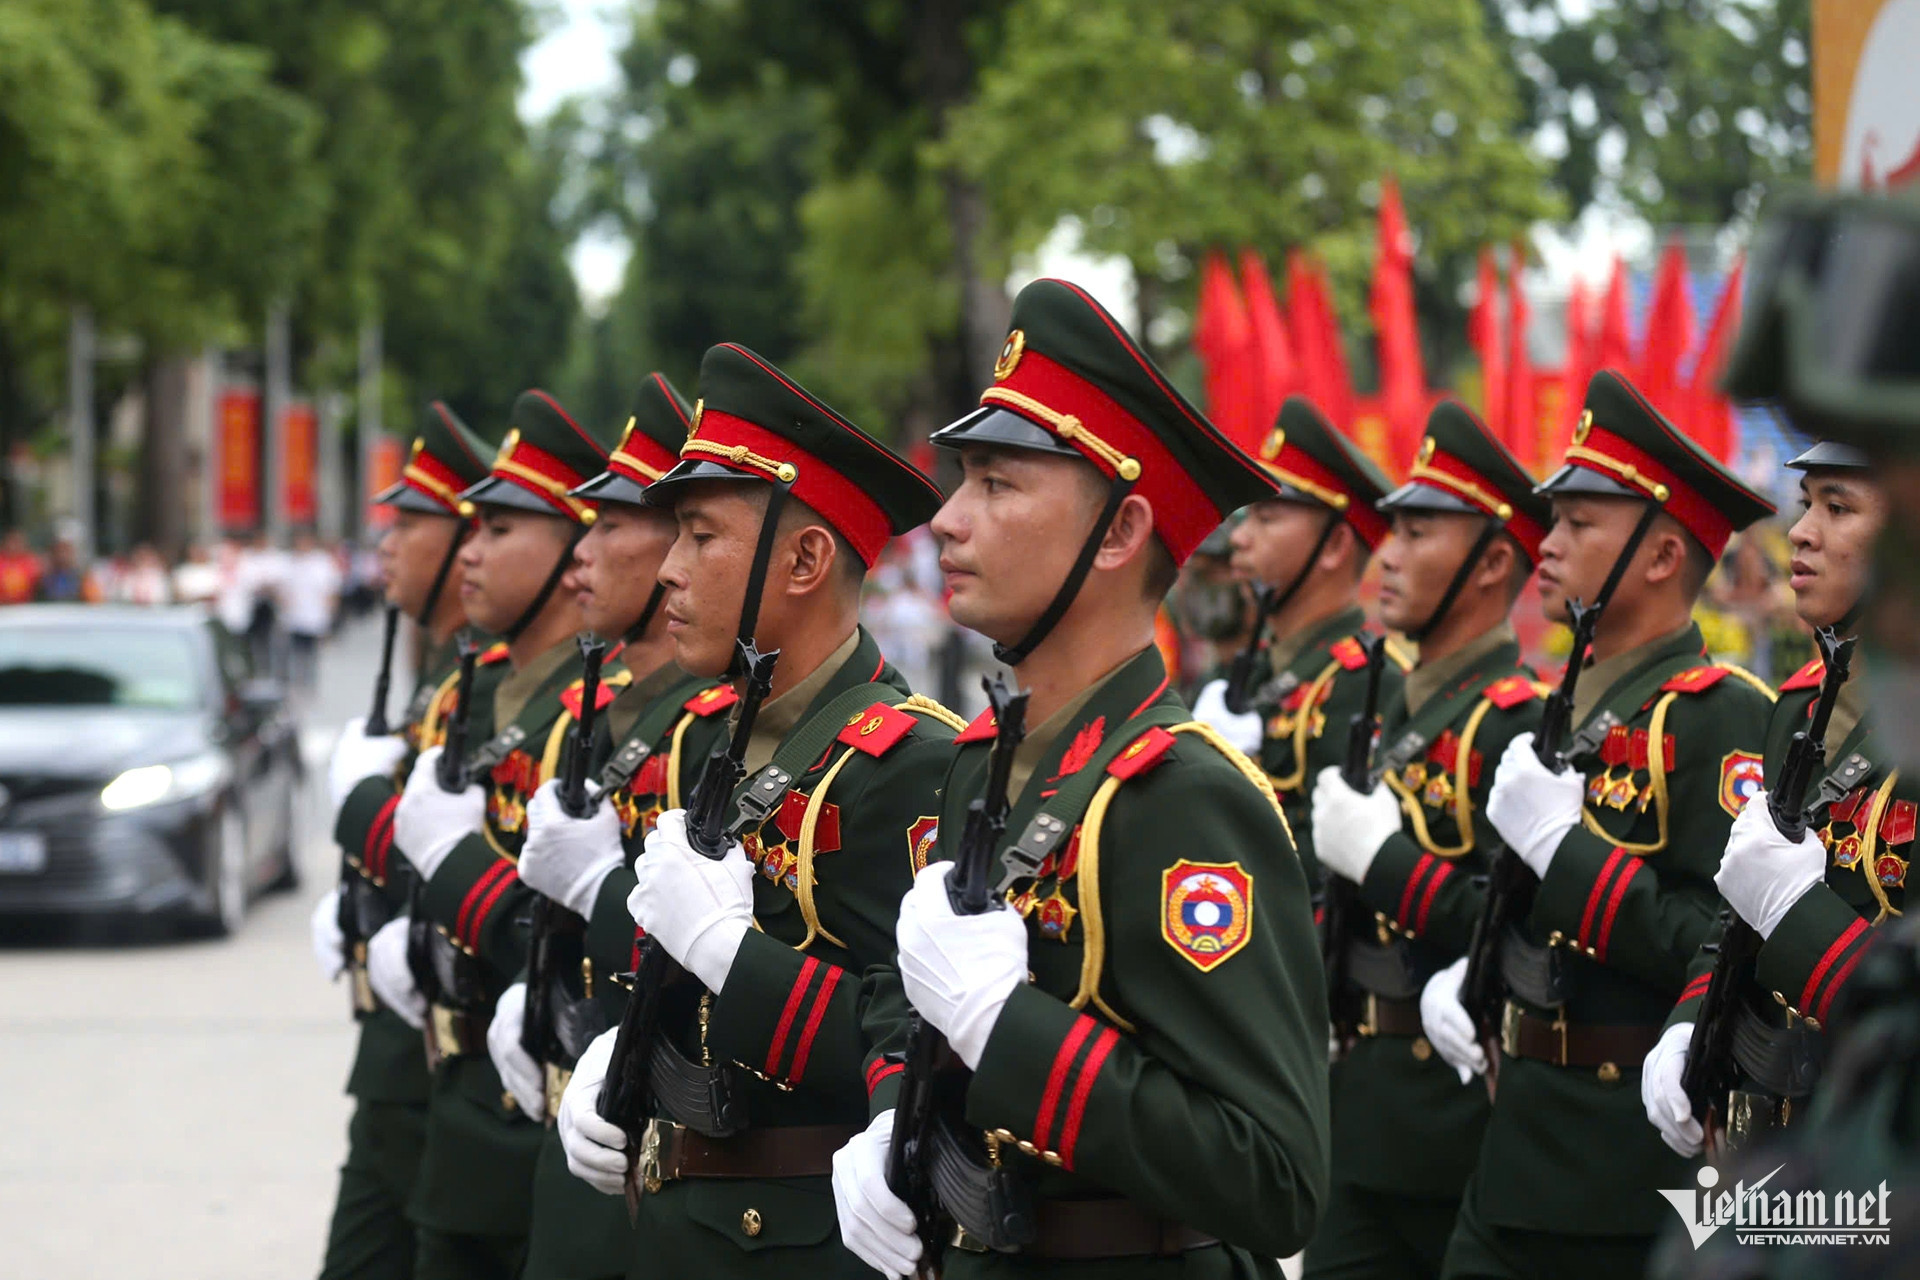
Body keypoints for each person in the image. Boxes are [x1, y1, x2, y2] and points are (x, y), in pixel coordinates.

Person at [831, 278, 1330, 1277]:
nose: (948, 520)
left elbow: (1276, 1178)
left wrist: (1006, 1029)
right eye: (961, 479)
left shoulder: (1182, 792)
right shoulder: (983, 759)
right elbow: (913, 988)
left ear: (1118, 532)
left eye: (996, 484)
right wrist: (893, 1115)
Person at [552, 343, 960, 1280]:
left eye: (700, 536)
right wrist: (618, 1043)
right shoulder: (713, 737)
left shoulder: (914, 763)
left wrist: (736, 961)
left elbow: (912, 1045)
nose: (668, 571)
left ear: (807, 558)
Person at [1416, 370, 1775, 1280]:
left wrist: (1561, 853)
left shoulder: (1720, 716)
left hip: (1624, 1177)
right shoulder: (1565, 713)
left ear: (1660, 559)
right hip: (1514, 1159)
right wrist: (1481, 965)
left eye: (1580, 524)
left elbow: (1723, 937)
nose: (1549, 540)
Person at [1305, 401, 1553, 1279]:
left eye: (1418, 532)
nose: (1389, 555)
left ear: (1492, 562)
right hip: (1361, 1114)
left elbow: (1529, 936)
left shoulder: (1519, 732)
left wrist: (1384, 863)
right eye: (1392, 530)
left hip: (1464, 1125)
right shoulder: (1386, 710)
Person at [484, 373, 715, 1280]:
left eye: (611, 525)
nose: (583, 554)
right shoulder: (600, 710)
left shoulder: (715, 729)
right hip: (570, 1131)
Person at [385, 390, 615, 1280]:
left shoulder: (604, 715)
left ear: (569, 557)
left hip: (543, 1116)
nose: (466, 552)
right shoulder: (468, 692)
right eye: (467, 529)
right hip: (457, 1100)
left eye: (500, 530)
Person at [309, 401, 497, 1280]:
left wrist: (358, 814)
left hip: (452, 1064)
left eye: (408, 526)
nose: (384, 546)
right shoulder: (440, 674)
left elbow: (477, 870)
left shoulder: (499, 688)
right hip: (395, 1058)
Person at [1190, 396, 1409, 890]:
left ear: (1333, 547)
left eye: (1267, 519)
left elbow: (1326, 869)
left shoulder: (1369, 682)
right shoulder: (1241, 673)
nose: (1240, 540)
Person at [282, 530, 343, 689]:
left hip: (315, 617)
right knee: (296, 654)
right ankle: (297, 683)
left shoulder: (322, 562)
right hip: (294, 618)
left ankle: (310, 683)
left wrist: (330, 615)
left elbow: (331, 589)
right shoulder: (290, 562)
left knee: (311, 654)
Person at [39, 534, 102, 603]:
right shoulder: (44, 580)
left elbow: (94, 601)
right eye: (58, 552)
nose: (61, 556)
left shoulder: (81, 578)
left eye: (64, 552)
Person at [0, 530, 44, 604]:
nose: (13, 545)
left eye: (17, 542)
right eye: (11, 542)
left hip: (24, 607)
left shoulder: (31, 562)